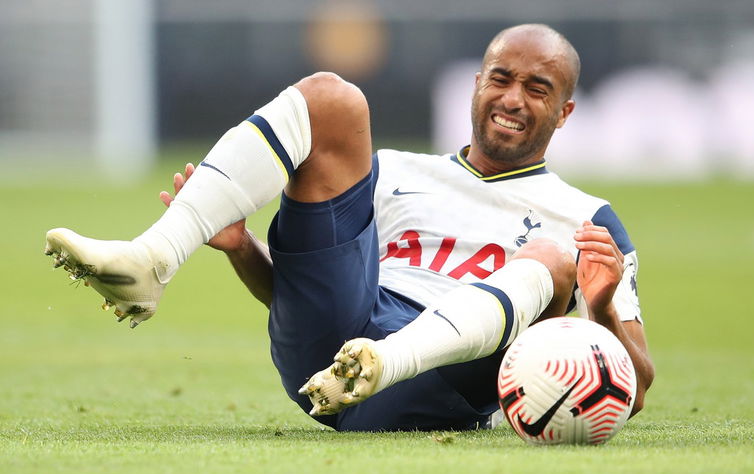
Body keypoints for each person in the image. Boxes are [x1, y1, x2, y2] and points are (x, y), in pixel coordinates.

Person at [45, 24, 654, 431]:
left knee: (554, 257)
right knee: (334, 98)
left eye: (537, 88)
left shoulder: (590, 219)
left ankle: (385, 362)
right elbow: (308, 293)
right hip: (328, 362)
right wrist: (240, 248)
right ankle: (151, 259)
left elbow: (638, 384)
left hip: (439, 387)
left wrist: (598, 308)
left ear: (565, 111)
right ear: (477, 84)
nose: (513, 98)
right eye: (501, 78)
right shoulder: (393, 171)